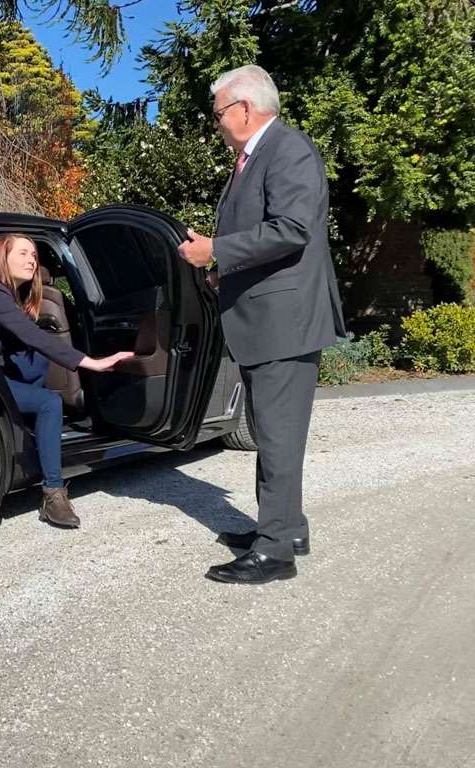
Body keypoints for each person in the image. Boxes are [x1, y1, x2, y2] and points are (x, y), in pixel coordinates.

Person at [177, 64, 346, 584]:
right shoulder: (255, 158)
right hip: (267, 320)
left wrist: (216, 251)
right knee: (275, 432)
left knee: (276, 435)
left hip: (285, 322)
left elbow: (292, 229)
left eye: (219, 112)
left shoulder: (288, 150)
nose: (217, 122)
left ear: (245, 109)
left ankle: (275, 553)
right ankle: (286, 527)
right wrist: (220, 270)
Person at [0, 234, 134, 528]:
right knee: (50, 401)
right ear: (3, 256)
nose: (32, 260)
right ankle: (53, 493)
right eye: (24, 253)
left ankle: (33, 436)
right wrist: (92, 363)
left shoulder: (0, 295)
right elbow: (34, 336)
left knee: (36, 359)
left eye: (35, 256)